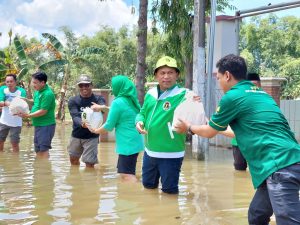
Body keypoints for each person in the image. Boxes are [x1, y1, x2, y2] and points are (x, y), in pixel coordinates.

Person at [175, 54, 300, 225]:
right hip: (287, 161)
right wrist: (207, 122)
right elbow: (236, 131)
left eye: (218, 78)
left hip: (278, 166)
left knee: (288, 221)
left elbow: (210, 132)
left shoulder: (232, 97)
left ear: (227, 75)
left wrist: (188, 127)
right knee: (256, 215)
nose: (219, 82)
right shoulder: (261, 94)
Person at [136, 56, 190, 194]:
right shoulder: (150, 94)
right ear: (156, 75)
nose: (166, 76)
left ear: (177, 75)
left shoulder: (184, 95)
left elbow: (197, 119)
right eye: (162, 73)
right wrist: (139, 121)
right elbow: (142, 112)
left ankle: (171, 216)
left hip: (171, 154)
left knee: (169, 192)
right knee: (148, 187)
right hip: (149, 152)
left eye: (170, 72)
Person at [89, 75, 144, 181]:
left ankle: (138, 193)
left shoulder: (117, 102)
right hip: (136, 140)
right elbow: (121, 111)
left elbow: (109, 126)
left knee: (126, 174)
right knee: (128, 171)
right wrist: (102, 107)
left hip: (127, 143)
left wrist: (95, 131)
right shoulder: (131, 100)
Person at [67, 74, 107, 168]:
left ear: (91, 85)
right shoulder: (73, 100)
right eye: (81, 85)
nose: (84, 87)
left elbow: (103, 109)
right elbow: (75, 116)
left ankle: (89, 181)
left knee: (89, 163)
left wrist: (100, 107)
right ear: (78, 87)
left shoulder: (98, 99)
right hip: (76, 135)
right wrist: (83, 123)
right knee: (73, 160)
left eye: (87, 85)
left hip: (92, 136)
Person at [19, 71, 56, 158]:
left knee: (44, 149)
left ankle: (44, 169)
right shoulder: (38, 92)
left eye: (35, 83)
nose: (33, 85)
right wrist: (26, 100)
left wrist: (27, 116)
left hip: (46, 125)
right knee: (38, 149)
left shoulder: (47, 94)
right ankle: (39, 169)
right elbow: (35, 103)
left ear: (43, 82)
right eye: (32, 82)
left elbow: (43, 111)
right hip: (38, 124)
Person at [231, 72, 261, 171]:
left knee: (257, 169)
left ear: (260, 85)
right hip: (238, 143)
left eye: (255, 85)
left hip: (257, 142)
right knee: (239, 170)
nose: (253, 88)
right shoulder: (238, 99)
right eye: (250, 85)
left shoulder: (264, 100)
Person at [0, 74, 26, 152]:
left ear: (15, 82)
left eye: (11, 81)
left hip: (16, 122)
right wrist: (6, 103)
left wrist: (7, 103)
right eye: (7, 82)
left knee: (14, 143)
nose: (9, 83)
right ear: (5, 82)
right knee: (0, 141)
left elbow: (22, 104)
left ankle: (16, 162)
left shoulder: (21, 91)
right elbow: (0, 102)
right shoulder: (2, 89)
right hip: (3, 121)